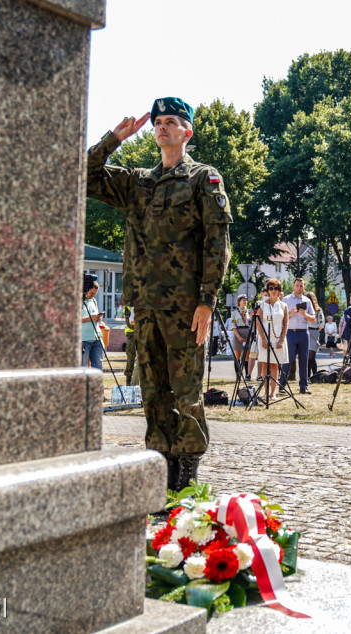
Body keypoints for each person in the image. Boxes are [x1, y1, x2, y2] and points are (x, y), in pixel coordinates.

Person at [86, 97, 231, 491]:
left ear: (187, 131)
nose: (162, 127)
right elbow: (82, 175)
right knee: (153, 394)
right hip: (146, 306)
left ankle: (186, 476)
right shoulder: (137, 182)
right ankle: (161, 472)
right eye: (157, 122)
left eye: (170, 121)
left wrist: (207, 301)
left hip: (186, 308)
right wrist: (113, 139)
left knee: (185, 392)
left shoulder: (203, 178)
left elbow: (217, 243)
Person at [281, 278, 315, 395]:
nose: (299, 288)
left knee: (304, 360)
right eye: (297, 285)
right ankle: (282, 385)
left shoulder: (307, 301)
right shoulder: (286, 300)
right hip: (290, 332)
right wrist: (292, 313)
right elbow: (282, 318)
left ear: (304, 287)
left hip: (303, 332)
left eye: (301, 286)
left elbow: (313, 318)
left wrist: (304, 314)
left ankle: (303, 386)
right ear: (293, 286)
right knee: (288, 359)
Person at [256, 279, 289, 399]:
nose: (273, 291)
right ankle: (265, 392)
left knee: (275, 365)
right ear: (267, 291)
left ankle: (273, 393)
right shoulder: (262, 305)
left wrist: (282, 339)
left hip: (278, 338)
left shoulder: (283, 305)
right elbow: (258, 322)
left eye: (276, 288)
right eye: (271, 288)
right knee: (265, 365)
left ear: (279, 291)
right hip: (265, 337)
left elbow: (286, 324)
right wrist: (263, 339)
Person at [81, 274, 103, 370]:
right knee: (82, 367)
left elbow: (94, 318)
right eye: (92, 293)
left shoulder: (93, 301)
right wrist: (89, 318)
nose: (93, 295)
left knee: (98, 366)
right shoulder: (79, 301)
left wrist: (98, 319)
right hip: (84, 340)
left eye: (95, 293)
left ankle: (97, 385)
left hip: (96, 338)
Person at [230, 295, 253, 379]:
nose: (245, 302)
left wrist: (251, 334)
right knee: (237, 355)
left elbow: (252, 323)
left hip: (247, 332)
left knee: (247, 355)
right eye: (243, 300)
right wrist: (239, 336)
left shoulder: (249, 312)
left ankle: (247, 375)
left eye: (246, 300)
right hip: (238, 333)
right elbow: (233, 325)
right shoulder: (234, 312)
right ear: (239, 302)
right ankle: (238, 375)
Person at [307, 291, 324, 375]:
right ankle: (307, 376)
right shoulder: (304, 310)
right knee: (305, 357)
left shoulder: (318, 311)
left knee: (311, 356)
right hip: (305, 331)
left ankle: (315, 374)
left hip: (313, 331)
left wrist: (316, 331)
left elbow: (321, 324)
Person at [123, 299, 136, 385]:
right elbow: (130, 323)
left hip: (143, 333)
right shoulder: (127, 305)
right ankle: (128, 380)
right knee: (130, 357)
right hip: (132, 335)